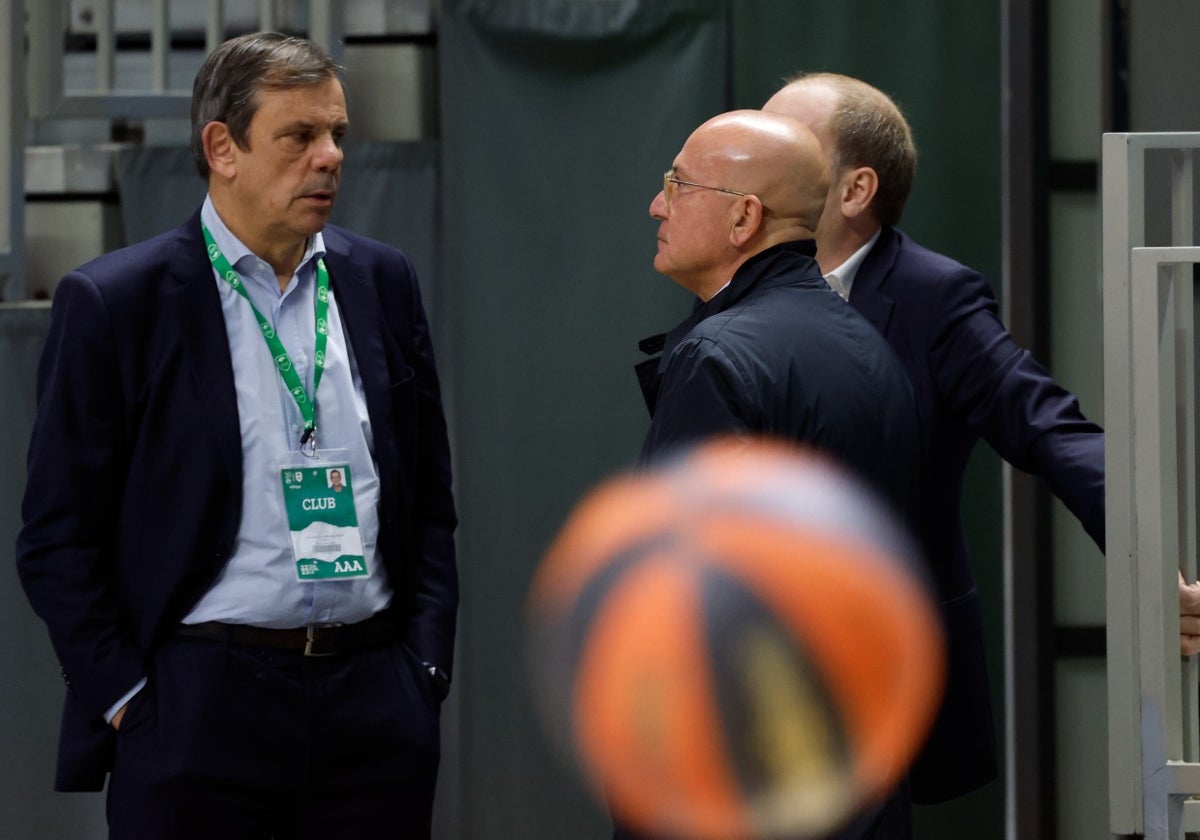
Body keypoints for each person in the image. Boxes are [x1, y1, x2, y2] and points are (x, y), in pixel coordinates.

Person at [16, 32, 457, 839]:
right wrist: (128, 700)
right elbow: (55, 535)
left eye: (338, 136)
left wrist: (422, 669)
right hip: (200, 707)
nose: (329, 158)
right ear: (223, 146)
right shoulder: (119, 303)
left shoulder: (381, 280)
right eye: (299, 136)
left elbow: (429, 503)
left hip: (374, 703)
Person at [761, 72, 1114, 806]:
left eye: (786, 144)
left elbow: (1045, 422)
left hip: (884, 667)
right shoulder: (741, 279)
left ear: (854, 191)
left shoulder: (933, 297)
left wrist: (1148, 555)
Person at [626, 109, 925, 840]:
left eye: (677, 184)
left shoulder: (718, 357)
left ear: (743, 219)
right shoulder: (868, 347)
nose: (657, 204)